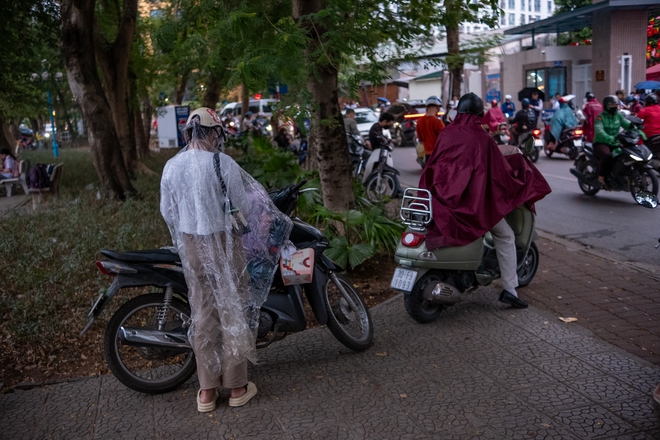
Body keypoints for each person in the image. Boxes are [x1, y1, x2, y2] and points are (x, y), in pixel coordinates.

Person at [160, 107, 292, 413]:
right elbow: (243, 205)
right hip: (224, 241)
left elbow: (167, 212)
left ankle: (206, 391)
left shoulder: (171, 167)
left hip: (191, 245)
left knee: (203, 311)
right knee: (233, 309)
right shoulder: (224, 163)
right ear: (213, 132)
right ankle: (236, 387)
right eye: (218, 133)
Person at [419, 93, 551, 309]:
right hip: (471, 206)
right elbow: (500, 172)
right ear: (479, 114)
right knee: (506, 234)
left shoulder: (447, 133)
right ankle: (509, 289)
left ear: (458, 112)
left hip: (440, 200)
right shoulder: (482, 138)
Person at [593, 95, 632, 187]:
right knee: (607, 155)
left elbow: (626, 123)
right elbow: (599, 131)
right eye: (611, 105)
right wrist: (609, 137)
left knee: (626, 153)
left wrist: (635, 127)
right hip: (601, 142)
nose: (614, 107)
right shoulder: (600, 117)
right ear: (606, 105)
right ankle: (601, 177)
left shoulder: (618, 115)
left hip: (614, 142)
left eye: (615, 105)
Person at [416, 96, 446, 164]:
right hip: (438, 154)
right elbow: (444, 139)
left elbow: (420, 139)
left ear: (427, 107)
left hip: (427, 154)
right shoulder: (438, 122)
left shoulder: (420, 121)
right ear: (438, 107)